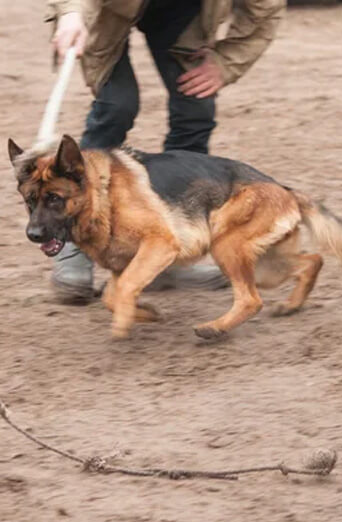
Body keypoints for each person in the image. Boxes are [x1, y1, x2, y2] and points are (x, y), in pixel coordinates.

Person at [46, 0, 285, 303]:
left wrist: (226, 63)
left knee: (195, 107)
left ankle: (168, 250)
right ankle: (72, 244)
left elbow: (267, 9)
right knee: (117, 107)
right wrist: (71, 15)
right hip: (104, 10)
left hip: (180, 12)